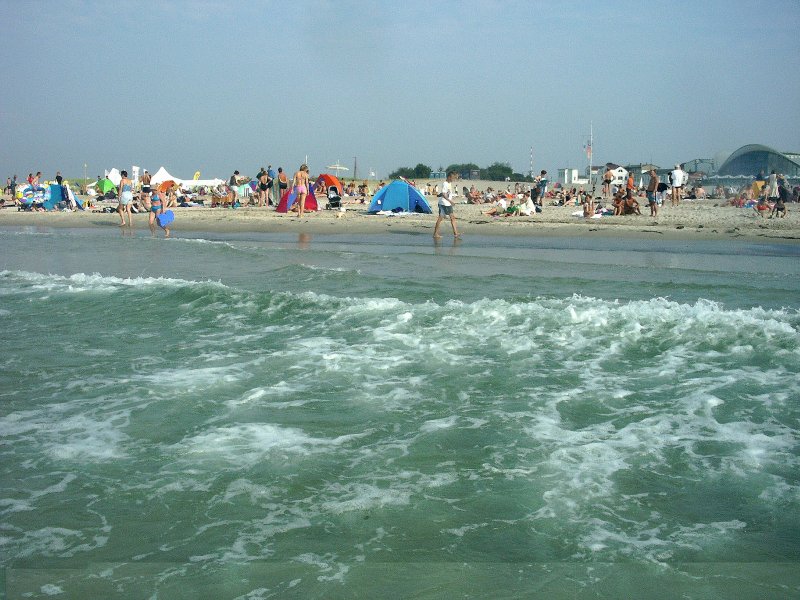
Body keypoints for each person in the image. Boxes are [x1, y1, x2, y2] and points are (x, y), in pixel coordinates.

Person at [433, 171, 460, 238]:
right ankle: (455, 233)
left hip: (443, 203)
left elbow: (445, 193)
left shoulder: (449, 183)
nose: (453, 179)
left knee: (440, 218)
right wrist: (450, 201)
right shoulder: (445, 184)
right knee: (452, 218)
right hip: (445, 204)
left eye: (454, 178)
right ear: (449, 177)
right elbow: (444, 194)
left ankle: (435, 234)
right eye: (452, 178)